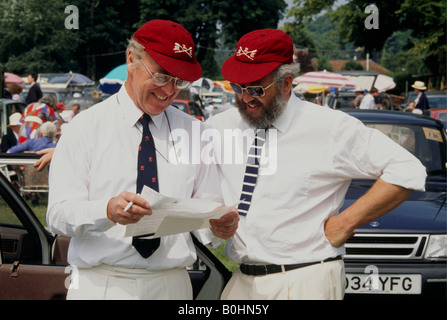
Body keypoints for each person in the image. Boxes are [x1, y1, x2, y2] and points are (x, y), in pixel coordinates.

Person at [206, 28, 427, 300]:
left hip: (305, 279)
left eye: (256, 89)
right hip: (244, 279)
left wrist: (346, 222)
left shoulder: (330, 128)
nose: (245, 98)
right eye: (237, 87)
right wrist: (212, 219)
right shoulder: (220, 126)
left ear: (286, 84)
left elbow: (407, 169)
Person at [46, 19, 238, 300]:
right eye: (161, 76)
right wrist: (108, 211)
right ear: (131, 59)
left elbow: (208, 208)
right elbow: (57, 216)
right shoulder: (84, 127)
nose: (169, 90)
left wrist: (219, 224)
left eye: (180, 80)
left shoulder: (196, 132)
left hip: (172, 285)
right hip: (101, 284)